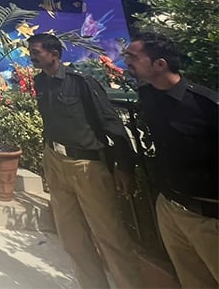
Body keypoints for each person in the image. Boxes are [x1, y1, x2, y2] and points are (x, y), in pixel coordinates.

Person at [28, 32, 143, 288]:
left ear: (54, 54)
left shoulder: (81, 83)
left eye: (36, 52)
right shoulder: (41, 83)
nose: (32, 57)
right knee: (73, 239)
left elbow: (111, 124)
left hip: (87, 166)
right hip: (56, 160)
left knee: (110, 237)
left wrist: (124, 167)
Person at [124, 32, 218, 288]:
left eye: (133, 56)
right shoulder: (149, 95)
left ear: (160, 64)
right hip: (170, 207)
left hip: (207, 218)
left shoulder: (207, 106)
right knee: (191, 281)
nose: (126, 60)